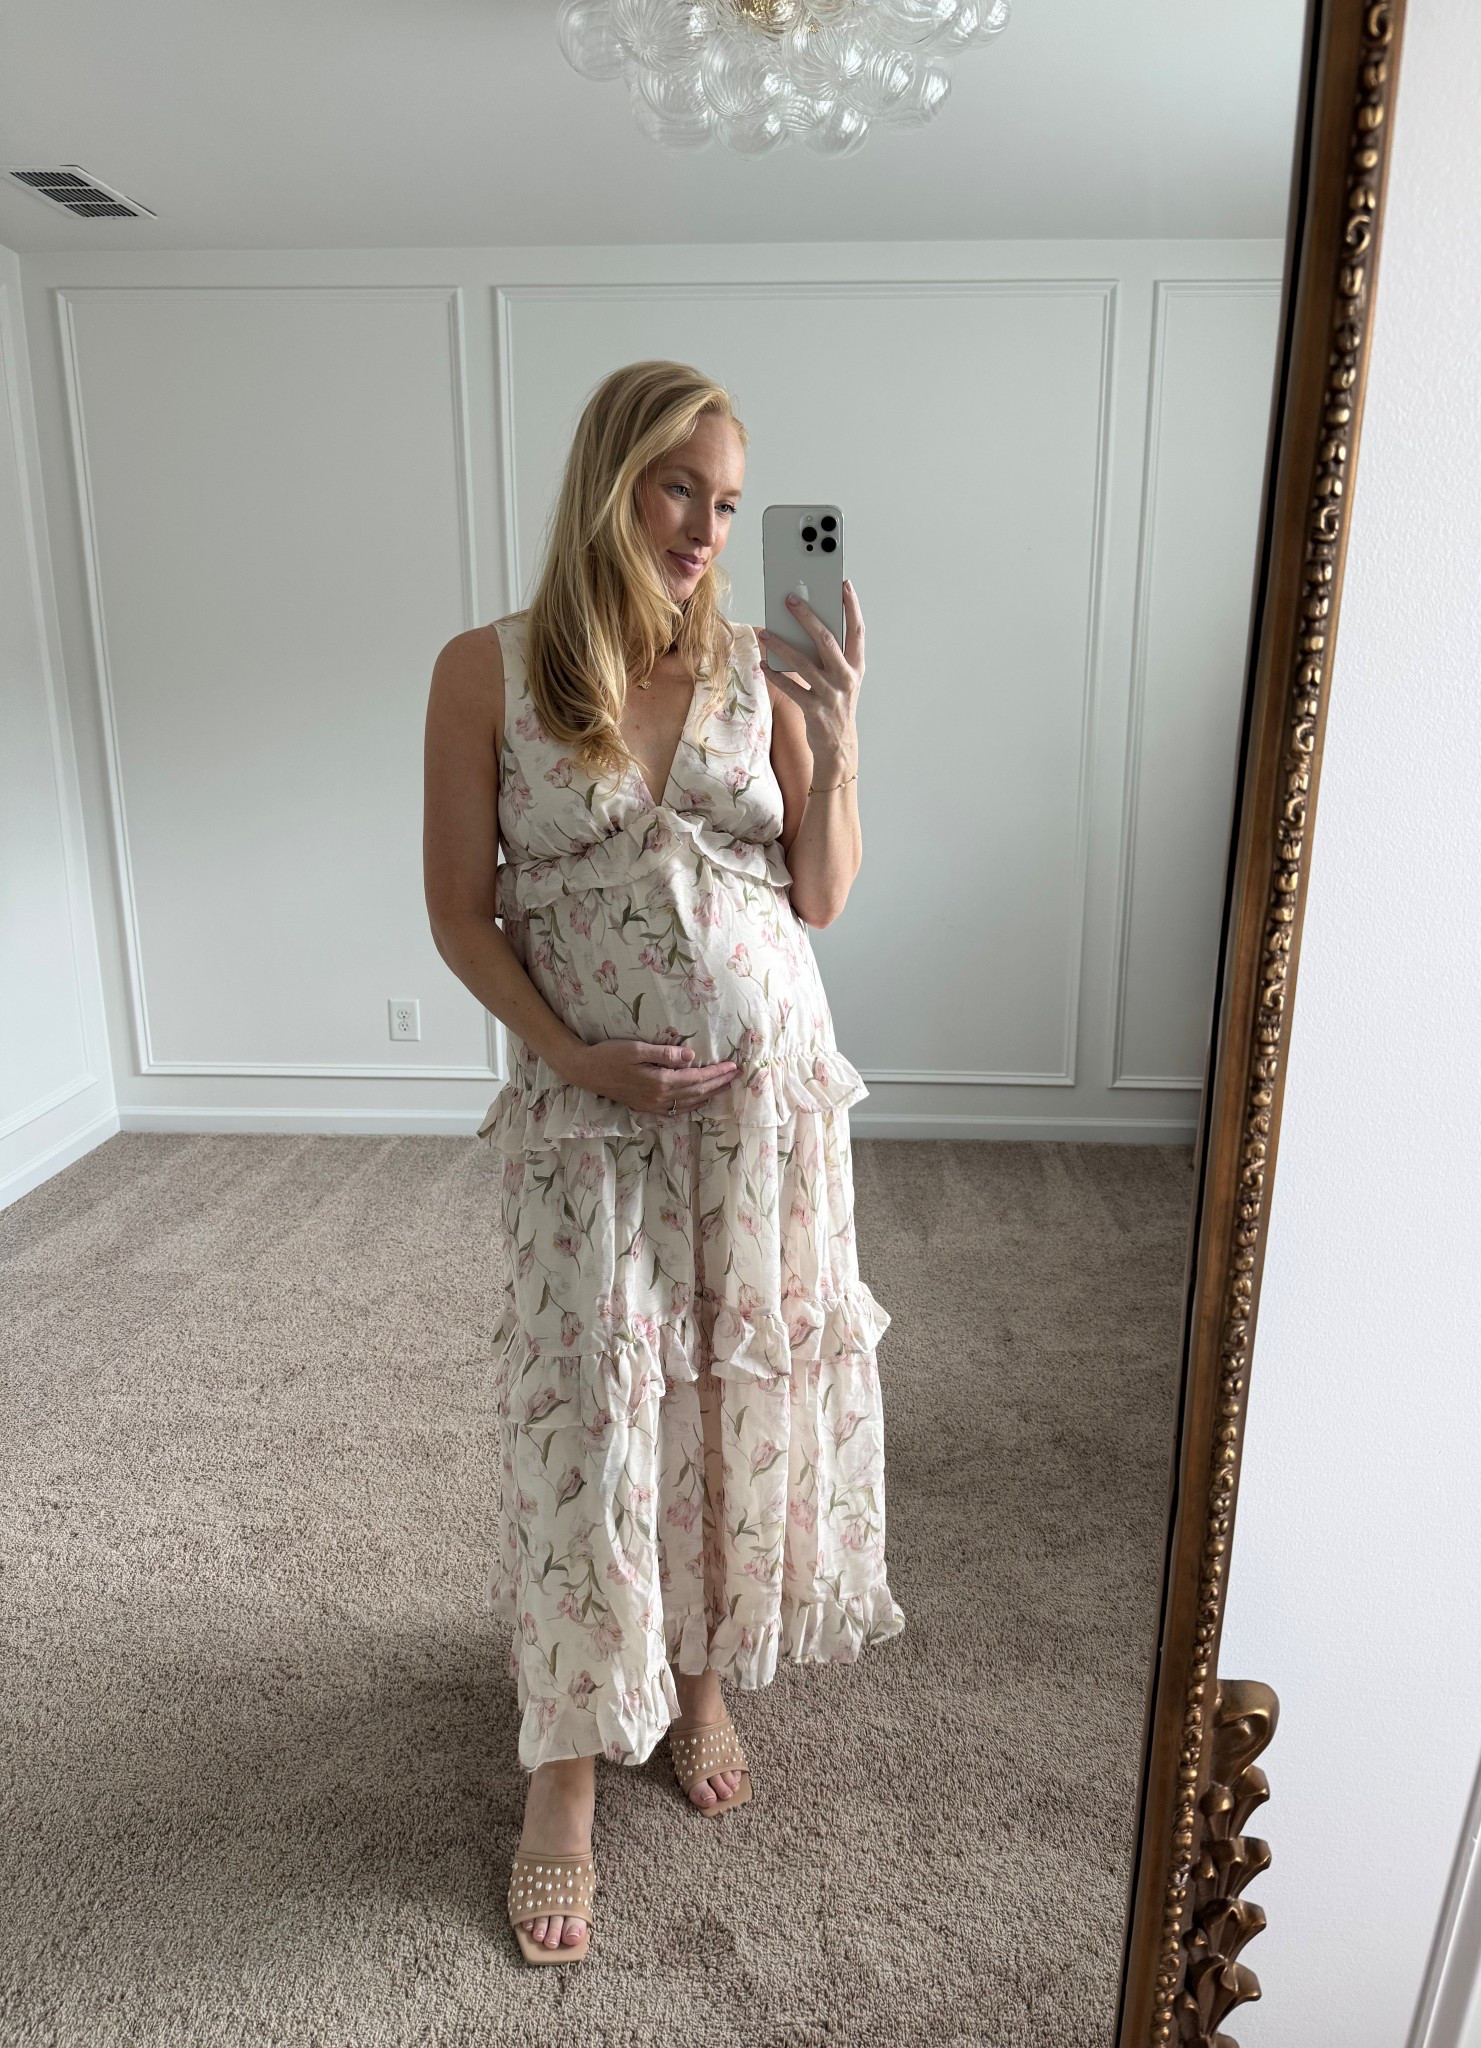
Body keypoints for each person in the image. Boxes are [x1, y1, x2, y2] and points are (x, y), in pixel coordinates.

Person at [422, 359, 904, 1967]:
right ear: (611, 479)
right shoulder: (483, 672)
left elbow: (819, 896)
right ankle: (564, 1766)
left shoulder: (755, 666)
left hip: (762, 1115)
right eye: (680, 488)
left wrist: (837, 745)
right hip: (590, 1113)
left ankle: (695, 1681)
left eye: (732, 502)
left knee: (720, 1398)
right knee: (588, 1399)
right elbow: (460, 911)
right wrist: (567, 1053)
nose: (707, 528)